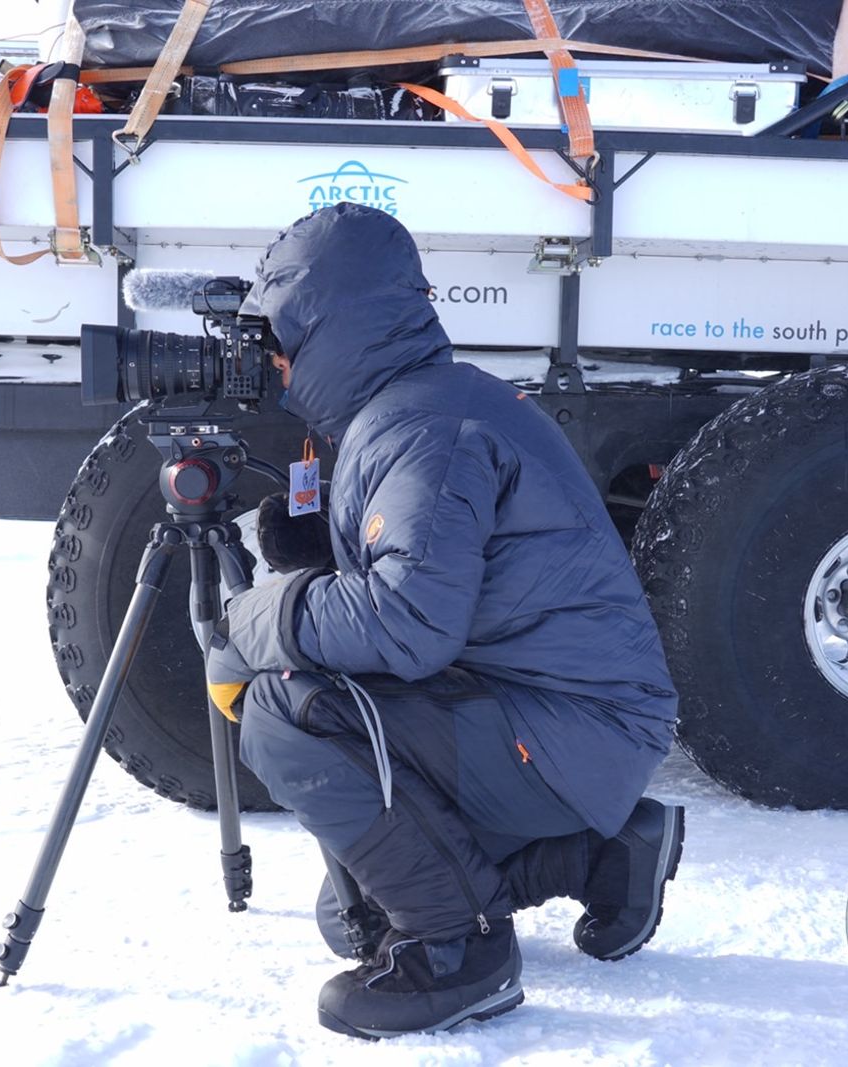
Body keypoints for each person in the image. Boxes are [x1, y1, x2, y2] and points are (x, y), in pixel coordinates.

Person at [205, 202, 683, 1039]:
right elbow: (455, 569)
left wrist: (257, 614)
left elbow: (407, 623)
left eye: (279, 338)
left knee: (286, 710)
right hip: (576, 716)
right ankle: (599, 855)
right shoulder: (425, 404)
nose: (274, 363)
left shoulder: (423, 428)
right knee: (353, 915)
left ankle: (459, 949)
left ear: (325, 325)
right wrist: (323, 545)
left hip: (569, 726)